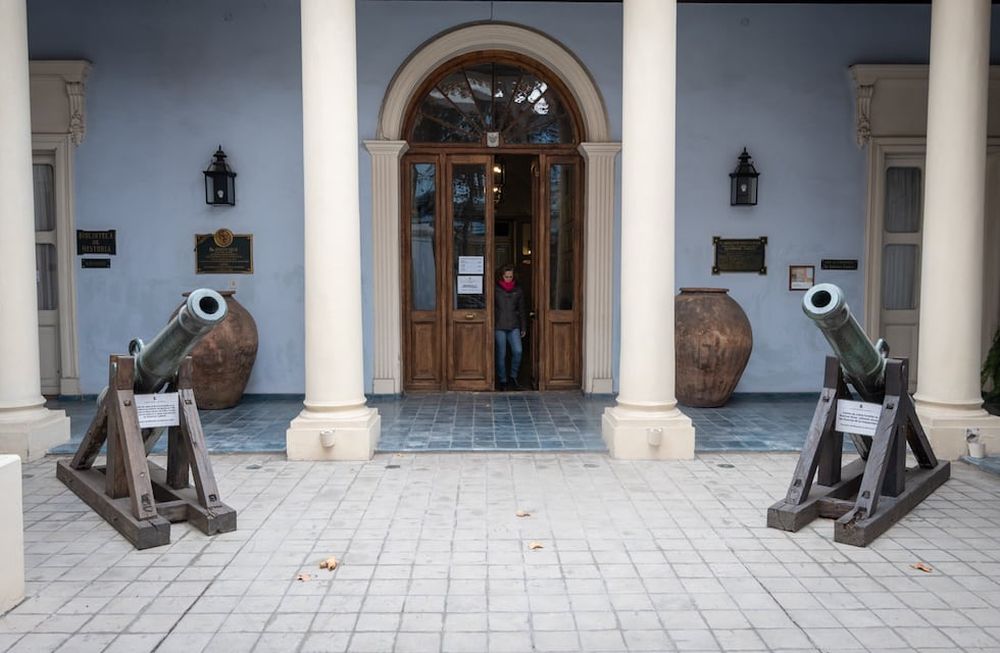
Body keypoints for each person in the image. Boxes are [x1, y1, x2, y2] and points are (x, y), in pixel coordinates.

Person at [494, 264, 527, 391]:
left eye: (511, 277)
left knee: (518, 351)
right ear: (502, 276)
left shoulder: (518, 290)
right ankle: (503, 381)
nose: (509, 279)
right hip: (499, 326)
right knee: (501, 354)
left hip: (514, 325)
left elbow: (522, 309)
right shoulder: (495, 289)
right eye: (506, 276)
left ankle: (513, 377)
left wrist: (523, 327)